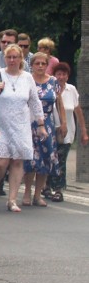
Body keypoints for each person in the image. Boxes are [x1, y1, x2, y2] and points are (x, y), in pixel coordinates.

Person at [0, 44, 44, 211]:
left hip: (21, 124)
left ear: (20, 59)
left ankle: (12, 200)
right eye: (9, 57)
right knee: (0, 162)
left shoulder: (27, 77)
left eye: (15, 57)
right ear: (4, 59)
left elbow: (34, 101)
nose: (12, 60)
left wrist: (40, 124)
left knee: (18, 161)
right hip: (1, 125)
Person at [22, 52, 65, 207]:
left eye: (43, 64)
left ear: (47, 65)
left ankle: (38, 194)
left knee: (46, 158)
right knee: (31, 159)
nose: (40, 66)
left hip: (47, 122)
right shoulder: (26, 79)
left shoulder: (53, 81)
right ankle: (26, 192)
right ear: (32, 65)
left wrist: (63, 123)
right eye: (37, 63)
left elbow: (59, 102)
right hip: (29, 121)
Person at [50, 62, 88, 201]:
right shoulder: (50, 88)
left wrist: (83, 131)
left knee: (60, 160)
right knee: (50, 159)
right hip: (51, 130)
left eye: (64, 74)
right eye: (58, 74)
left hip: (67, 133)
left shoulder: (71, 90)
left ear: (67, 76)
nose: (61, 77)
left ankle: (58, 189)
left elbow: (78, 111)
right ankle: (47, 186)